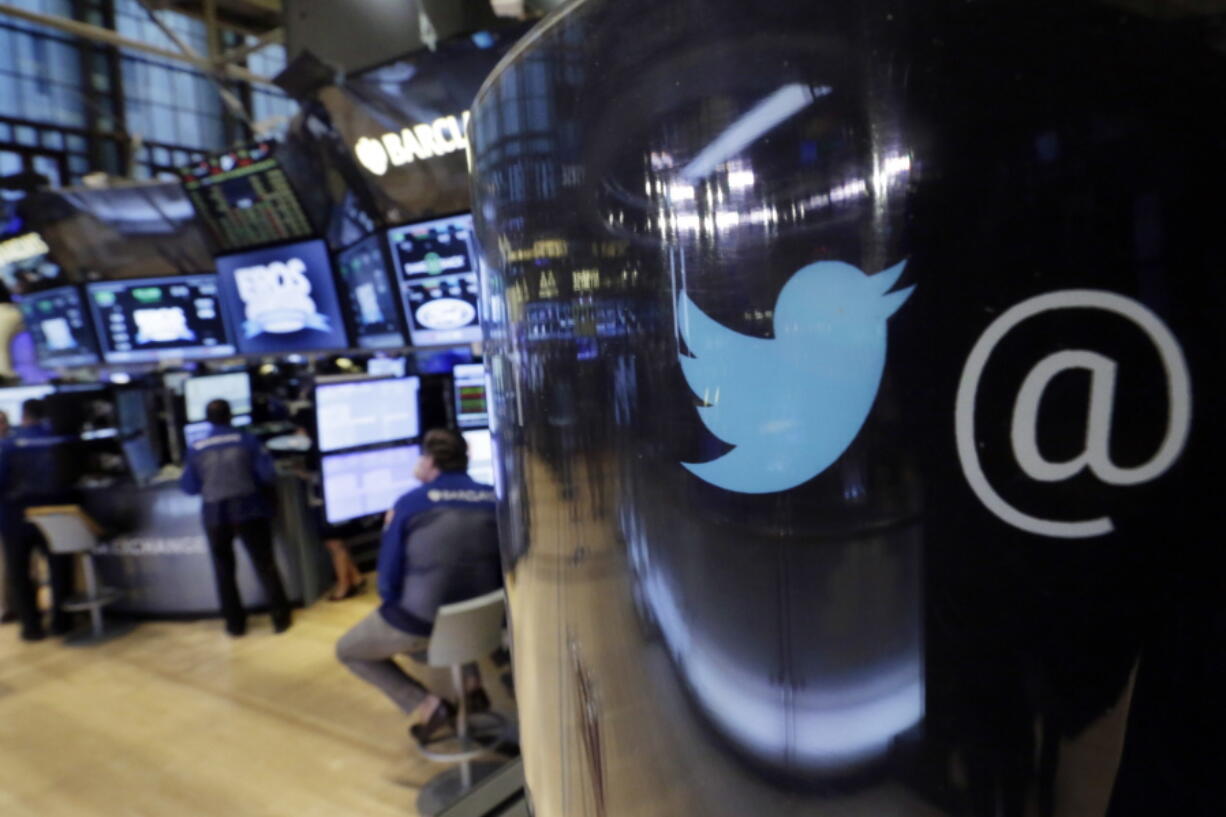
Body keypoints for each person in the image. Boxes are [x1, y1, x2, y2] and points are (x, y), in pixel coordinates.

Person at [336, 428, 502, 745]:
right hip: (484, 618)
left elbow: (387, 580)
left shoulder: (410, 504)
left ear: (429, 461)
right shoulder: (493, 497)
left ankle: (429, 705)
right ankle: (470, 686)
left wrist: (392, 610)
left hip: (422, 621)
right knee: (455, 612)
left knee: (348, 650)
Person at [180, 398, 292, 636]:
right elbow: (267, 475)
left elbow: (189, 487)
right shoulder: (248, 440)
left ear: (207, 419)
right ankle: (280, 619)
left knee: (223, 570)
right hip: (250, 509)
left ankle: (235, 625)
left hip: (215, 515)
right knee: (265, 565)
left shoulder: (196, 447)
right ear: (231, 416)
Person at [0, 400, 76, 641]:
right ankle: (61, 623)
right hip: (56, 515)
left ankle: (31, 627)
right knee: (59, 569)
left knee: (20, 572)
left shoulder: (7, 446)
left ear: (23, 416)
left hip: (15, 517)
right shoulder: (59, 439)